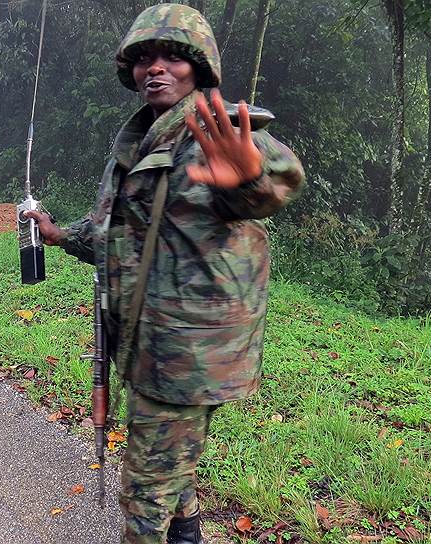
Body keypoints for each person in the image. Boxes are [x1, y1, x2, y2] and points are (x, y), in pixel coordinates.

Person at [25, 5, 305, 543]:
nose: (156, 68)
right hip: (147, 342)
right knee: (173, 465)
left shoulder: (216, 127)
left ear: (198, 68)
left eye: (173, 58)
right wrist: (62, 236)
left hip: (185, 353)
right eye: (145, 59)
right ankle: (188, 534)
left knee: (145, 494)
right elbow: (121, 228)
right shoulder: (141, 137)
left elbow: (277, 175)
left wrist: (247, 182)